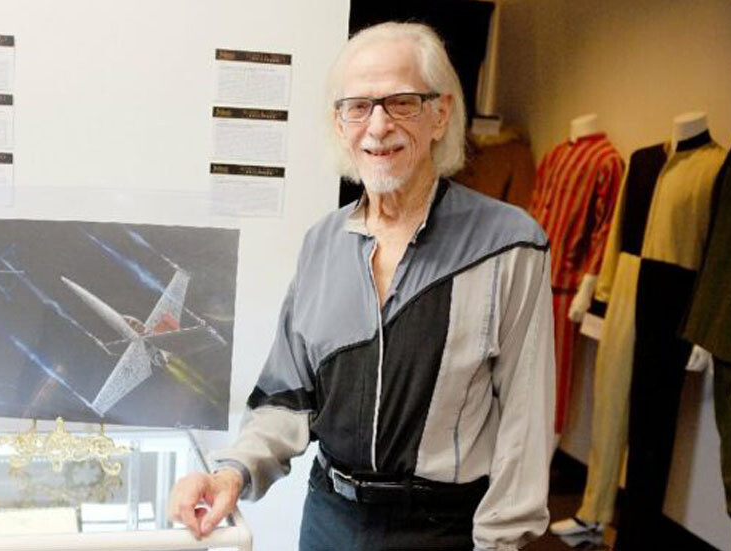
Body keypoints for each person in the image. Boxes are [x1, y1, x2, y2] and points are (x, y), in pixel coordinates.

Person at [168, 21, 556, 551]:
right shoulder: (323, 244)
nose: (377, 127)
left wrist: (499, 543)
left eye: (400, 103)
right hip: (329, 519)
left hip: (444, 530)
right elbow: (287, 394)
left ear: (440, 113)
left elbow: (524, 426)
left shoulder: (508, 245)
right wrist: (231, 473)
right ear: (340, 123)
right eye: (357, 107)